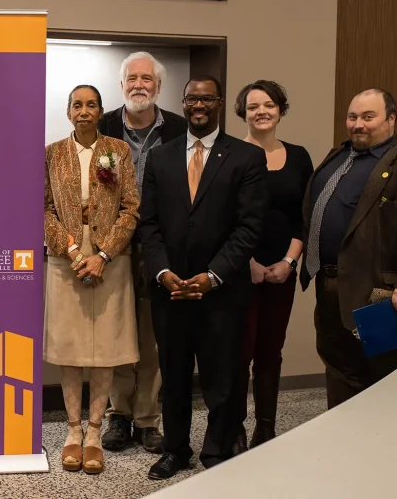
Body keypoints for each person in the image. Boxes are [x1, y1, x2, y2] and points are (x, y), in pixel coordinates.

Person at [139, 75, 267, 479]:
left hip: (221, 292)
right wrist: (162, 272)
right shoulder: (161, 157)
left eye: (206, 99)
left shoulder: (245, 157)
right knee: (173, 376)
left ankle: (216, 452)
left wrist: (213, 275)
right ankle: (175, 449)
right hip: (170, 291)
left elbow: (249, 228)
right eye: (192, 98)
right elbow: (149, 224)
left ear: (218, 103)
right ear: (183, 102)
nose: (198, 105)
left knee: (221, 378)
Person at [301, 88, 397, 409]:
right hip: (329, 286)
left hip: (380, 294)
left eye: (368, 117)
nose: (358, 124)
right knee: (339, 370)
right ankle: (342, 438)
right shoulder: (338, 158)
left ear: (391, 119)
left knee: (384, 379)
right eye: (353, 117)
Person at [44, 85, 141, 475]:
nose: (84, 111)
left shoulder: (118, 151)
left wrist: (102, 254)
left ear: (101, 111)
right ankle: (72, 430)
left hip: (109, 258)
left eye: (91, 105)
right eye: (77, 105)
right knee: (69, 346)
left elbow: (132, 208)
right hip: (64, 256)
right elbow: (44, 207)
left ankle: (96, 432)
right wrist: (70, 250)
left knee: (103, 346)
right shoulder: (52, 153)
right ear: (68, 112)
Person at [97, 51, 187, 454]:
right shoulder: (102, 127)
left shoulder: (180, 130)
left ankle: (148, 418)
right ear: (121, 85)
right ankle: (119, 415)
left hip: (161, 246)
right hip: (111, 247)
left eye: (147, 79)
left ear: (158, 86)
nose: (139, 85)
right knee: (117, 331)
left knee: (154, 335)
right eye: (132, 78)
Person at [231, 80, 313, 452]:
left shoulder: (298, 156)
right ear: (242, 112)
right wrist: (246, 260)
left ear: (281, 109)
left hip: (282, 272)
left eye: (268, 105)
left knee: (270, 351)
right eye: (252, 107)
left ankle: (266, 429)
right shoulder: (229, 154)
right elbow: (222, 218)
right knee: (238, 351)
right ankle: (234, 429)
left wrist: (288, 262)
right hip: (238, 271)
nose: (261, 112)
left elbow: (304, 218)